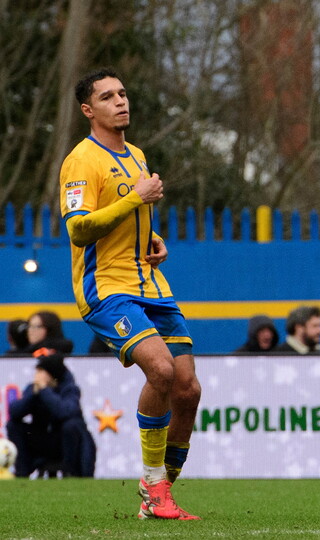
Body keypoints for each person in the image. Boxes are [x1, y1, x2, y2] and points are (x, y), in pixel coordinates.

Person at [59, 68, 201, 519]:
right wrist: (136, 201)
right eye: (107, 96)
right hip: (107, 289)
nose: (120, 101)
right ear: (88, 110)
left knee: (188, 391)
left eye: (123, 92)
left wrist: (152, 237)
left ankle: (158, 494)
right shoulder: (81, 160)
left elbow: (127, 217)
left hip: (151, 284)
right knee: (160, 370)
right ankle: (154, 485)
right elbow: (80, 229)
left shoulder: (136, 154)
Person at [6, 348, 96, 478]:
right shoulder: (33, 389)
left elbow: (65, 412)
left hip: (64, 442)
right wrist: (34, 394)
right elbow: (14, 412)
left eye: (41, 371)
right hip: (42, 440)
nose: (37, 375)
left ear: (51, 374)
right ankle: (21, 473)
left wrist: (44, 390)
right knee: (13, 425)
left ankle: (70, 472)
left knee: (72, 425)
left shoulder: (70, 389)